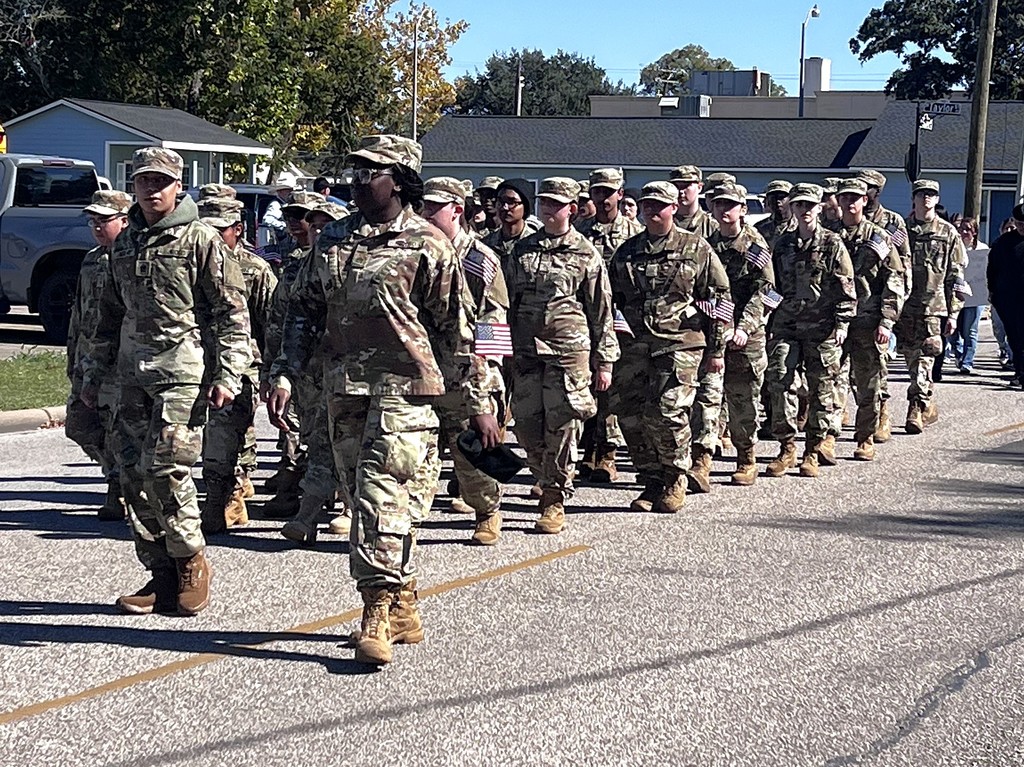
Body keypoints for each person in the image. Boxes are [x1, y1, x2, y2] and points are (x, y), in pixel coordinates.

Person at [268, 135, 495, 666]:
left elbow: (455, 331)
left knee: (380, 498)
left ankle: (375, 609)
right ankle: (405, 596)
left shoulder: (427, 244)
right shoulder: (333, 240)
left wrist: (478, 401)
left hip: (406, 391)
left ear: (400, 180)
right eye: (354, 170)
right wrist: (283, 373)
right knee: (362, 496)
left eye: (371, 172)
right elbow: (303, 311)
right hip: (342, 388)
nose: (358, 180)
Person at [78, 147, 252, 616]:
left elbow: (230, 314)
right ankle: (161, 572)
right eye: (143, 181)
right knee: (132, 474)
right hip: (130, 375)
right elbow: (108, 316)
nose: (152, 190)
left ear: (179, 186)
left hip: (183, 374)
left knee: (167, 468)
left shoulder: (201, 240)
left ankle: (192, 560)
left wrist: (228, 373)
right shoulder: (126, 242)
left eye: (161, 182)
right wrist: (92, 373)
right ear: (133, 185)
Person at [609, 181, 732, 511]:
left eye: (659, 205)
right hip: (635, 346)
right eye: (647, 204)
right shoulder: (628, 251)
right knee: (630, 413)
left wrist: (717, 350)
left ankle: (676, 474)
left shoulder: (696, 248)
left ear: (673, 208)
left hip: (680, 342)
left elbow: (719, 300)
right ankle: (651, 479)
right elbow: (613, 301)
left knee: (668, 411)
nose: (651, 210)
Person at [505, 177, 619, 534]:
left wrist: (605, 361)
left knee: (563, 427)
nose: (548, 209)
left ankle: (554, 497)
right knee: (525, 426)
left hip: (567, 354)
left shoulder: (586, 254)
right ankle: (542, 474)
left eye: (556, 203)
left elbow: (601, 311)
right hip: (525, 353)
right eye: (544, 202)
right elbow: (501, 304)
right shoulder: (522, 250)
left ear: (572, 208)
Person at [421, 176, 509, 545]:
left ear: (457, 210)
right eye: (422, 206)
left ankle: (487, 511)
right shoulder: (416, 250)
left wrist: (485, 387)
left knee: (471, 452)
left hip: (466, 371)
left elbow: (493, 325)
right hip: (423, 368)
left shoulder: (479, 260)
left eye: (433, 207)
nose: (424, 214)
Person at [197, 193, 278, 535]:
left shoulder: (255, 270)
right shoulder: (193, 263)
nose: (213, 237)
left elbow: (271, 325)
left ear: (239, 229)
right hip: (195, 365)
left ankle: (220, 501)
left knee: (221, 440)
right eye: (206, 229)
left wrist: (273, 374)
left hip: (239, 368)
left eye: (221, 230)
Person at [765, 183, 856, 478]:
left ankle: (813, 451)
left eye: (809, 206)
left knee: (822, 390)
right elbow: (771, 285)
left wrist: (841, 324)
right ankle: (787, 447)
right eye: (799, 205)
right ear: (792, 208)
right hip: (787, 325)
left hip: (822, 327)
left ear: (819, 208)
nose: (804, 211)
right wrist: (767, 319)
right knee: (780, 381)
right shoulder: (782, 244)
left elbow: (846, 287)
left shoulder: (832, 243)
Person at [65, 190, 132, 520]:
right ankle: (116, 474)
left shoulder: (131, 258)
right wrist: (73, 355)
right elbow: (79, 311)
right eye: (92, 221)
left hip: (120, 360)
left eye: (103, 220)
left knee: (118, 426)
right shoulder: (91, 258)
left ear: (124, 220)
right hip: (88, 357)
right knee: (79, 425)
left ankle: (119, 488)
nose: (96, 227)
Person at [260, 189, 326, 519]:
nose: (297, 225)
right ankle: (297, 488)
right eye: (291, 218)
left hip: (336, 364)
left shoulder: (345, 263)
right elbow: (280, 318)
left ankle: (336, 500)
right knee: (301, 428)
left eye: (304, 218)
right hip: (298, 360)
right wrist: (273, 369)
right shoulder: (293, 264)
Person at [575, 167, 642, 483]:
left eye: (608, 192)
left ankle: (608, 454)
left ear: (620, 194)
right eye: (597, 192)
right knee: (584, 385)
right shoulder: (580, 232)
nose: (602, 198)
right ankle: (587, 451)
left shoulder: (634, 234)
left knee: (612, 389)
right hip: (582, 322)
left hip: (621, 321)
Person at [831, 178, 905, 461]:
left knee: (868, 385)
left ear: (865, 200)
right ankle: (827, 436)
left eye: (856, 197)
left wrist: (887, 321)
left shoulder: (879, 237)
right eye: (845, 197)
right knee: (827, 382)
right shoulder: (829, 236)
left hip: (867, 320)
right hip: (834, 322)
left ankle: (865, 438)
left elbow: (894, 280)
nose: (850, 202)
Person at [707, 182, 775, 486]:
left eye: (730, 205)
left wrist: (743, 327)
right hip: (714, 333)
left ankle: (746, 457)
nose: (724, 210)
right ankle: (701, 459)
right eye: (719, 204)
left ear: (742, 210)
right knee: (706, 398)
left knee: (742, 399)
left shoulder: (756, 248)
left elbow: (767, 293)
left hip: (746, 335)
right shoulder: (705, 246)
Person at [895, 179, 966, 432]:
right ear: (913, 198)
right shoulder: (900, 231)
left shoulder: (948, 233)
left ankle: (916, 406)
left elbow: (956, 277)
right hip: (904, 307)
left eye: (931, 194)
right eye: (922, 194)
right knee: (910, 359)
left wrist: (954, 313)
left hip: (933, 309)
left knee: (925, 357)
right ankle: (928, 404)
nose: (926, 198)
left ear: (937, 200)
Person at [857, 169, 913, 443]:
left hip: (877, 307)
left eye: (866, 189)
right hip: (848, 309)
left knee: (876, 369)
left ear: (876, 193)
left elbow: (902, 267)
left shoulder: (892, 222)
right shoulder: (846, 219)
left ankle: (881, 414)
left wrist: (892, 310)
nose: (861, 193)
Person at [946, 215, 988, 375]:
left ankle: (967, 362)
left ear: (975, 232)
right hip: (955, 293)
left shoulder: (982, 249)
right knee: (952, 329)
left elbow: (986, 273)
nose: (963, 232)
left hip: (975, 295)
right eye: (961, 229)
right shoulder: (953, 247)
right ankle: (958, 353)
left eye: (968, 229)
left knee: (970, 330)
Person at [987, 205, 1024, 386]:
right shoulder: (1003, 243)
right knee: (1014, 337)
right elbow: (992, 268)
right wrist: (992, 292)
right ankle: (1019, 372)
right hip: (1008, 299)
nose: (1022, 227)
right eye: (1019, 223)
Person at [483, 178, 538, 265]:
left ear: (526, 207)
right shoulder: (486, 244)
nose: (505, 207)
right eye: (501, 201)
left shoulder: (537, 245)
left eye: (511, 202)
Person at [670, 165, 718, 238]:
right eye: (676, 186)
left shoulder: (712, 226)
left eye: (686, 186)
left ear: (699, 187)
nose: (681, 191)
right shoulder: (661, 223)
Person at [755, 180, 794, 250]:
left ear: (791, 200)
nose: (777, 201)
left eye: (781, 197)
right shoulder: (759, 228)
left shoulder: (801, 226)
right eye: (773, 197)